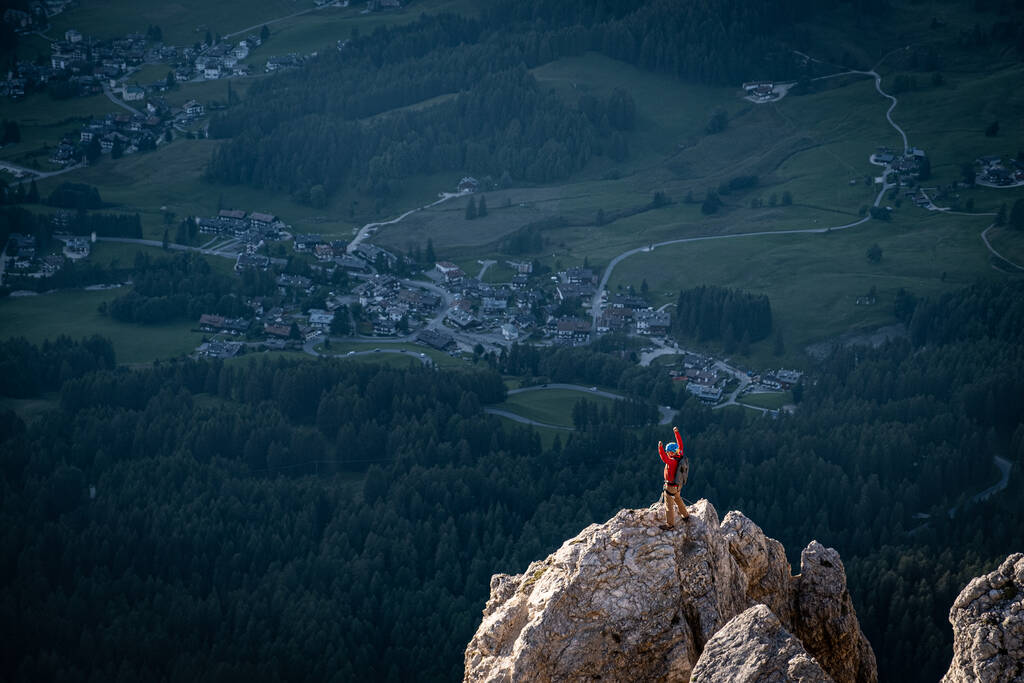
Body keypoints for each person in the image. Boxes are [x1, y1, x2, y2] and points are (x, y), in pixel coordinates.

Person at [658, 426, 689, 530]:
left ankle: (670, 524)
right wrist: (676, 432)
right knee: (678, 499)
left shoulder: (671, 461)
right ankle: (685, 516)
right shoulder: (680, 455)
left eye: (668, 452)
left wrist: (660, 448)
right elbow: (680, 444)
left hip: (670, 486)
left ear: (671, 452)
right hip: (678, 485)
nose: (667, 453)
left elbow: (663, 457)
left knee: (669, 505)